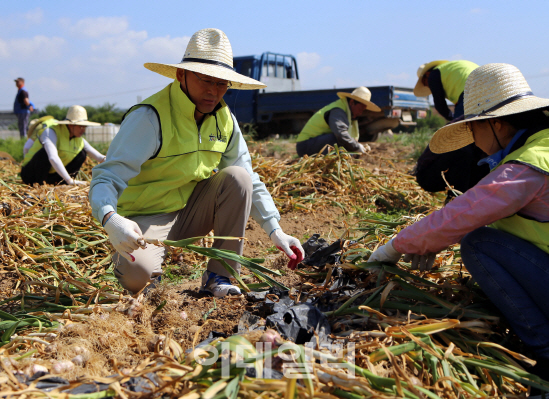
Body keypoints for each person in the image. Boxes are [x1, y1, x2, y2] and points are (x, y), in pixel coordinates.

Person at [89, 28, 305, 298]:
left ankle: (220, 275)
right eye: (205, 80)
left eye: (221, 83)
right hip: (145, 218)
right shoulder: (150, 117)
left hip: (190, 214)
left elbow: (249, 176)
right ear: (182, 75)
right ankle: (145, 269)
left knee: (238, 177)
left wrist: (276, 231)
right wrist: (111, 220)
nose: (213, 92)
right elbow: (105, 177)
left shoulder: (224, 120)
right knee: (138, 279)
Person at [369, 63, 549, 380]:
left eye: (474, 129)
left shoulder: (526, 167)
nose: (473, 141)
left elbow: (463, 213)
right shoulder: (541, 146)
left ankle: (544, 350)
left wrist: (395, 247)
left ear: (498, 124)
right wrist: (432, 242)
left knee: (479, 244)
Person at [413, 60, 489, 198]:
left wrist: (452, 120)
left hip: (471, 94)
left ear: (427, 75)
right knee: (481, 146)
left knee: (462, 146)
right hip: (491, 92)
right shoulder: (454, 70)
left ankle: (458, 196)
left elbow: (440, 105)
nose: (429, 86)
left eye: (426, 83)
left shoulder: (435, 74)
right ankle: (475, 194)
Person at [21, 105, 106, 186]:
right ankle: (40, 185)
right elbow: (52, 157)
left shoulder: (79, 140)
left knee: (82, 154)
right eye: (80, 127)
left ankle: (61, 183)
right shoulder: (50, 132)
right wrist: (69, 180)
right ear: (70, 125)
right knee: (45, 153)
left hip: (51, 176)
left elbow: (99, 157)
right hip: (31, 175)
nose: (83, 130)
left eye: (85, 127)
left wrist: (116, 162)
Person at [295, 87, 380, 157]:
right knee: (337, 138)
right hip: (305, 146)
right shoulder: (338, 110)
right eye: (360, 109)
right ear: (352, 102)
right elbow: (340, 133)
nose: (360, 113)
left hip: (314, 143)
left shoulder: (345, 110)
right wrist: (356, 146)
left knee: (347, 143)